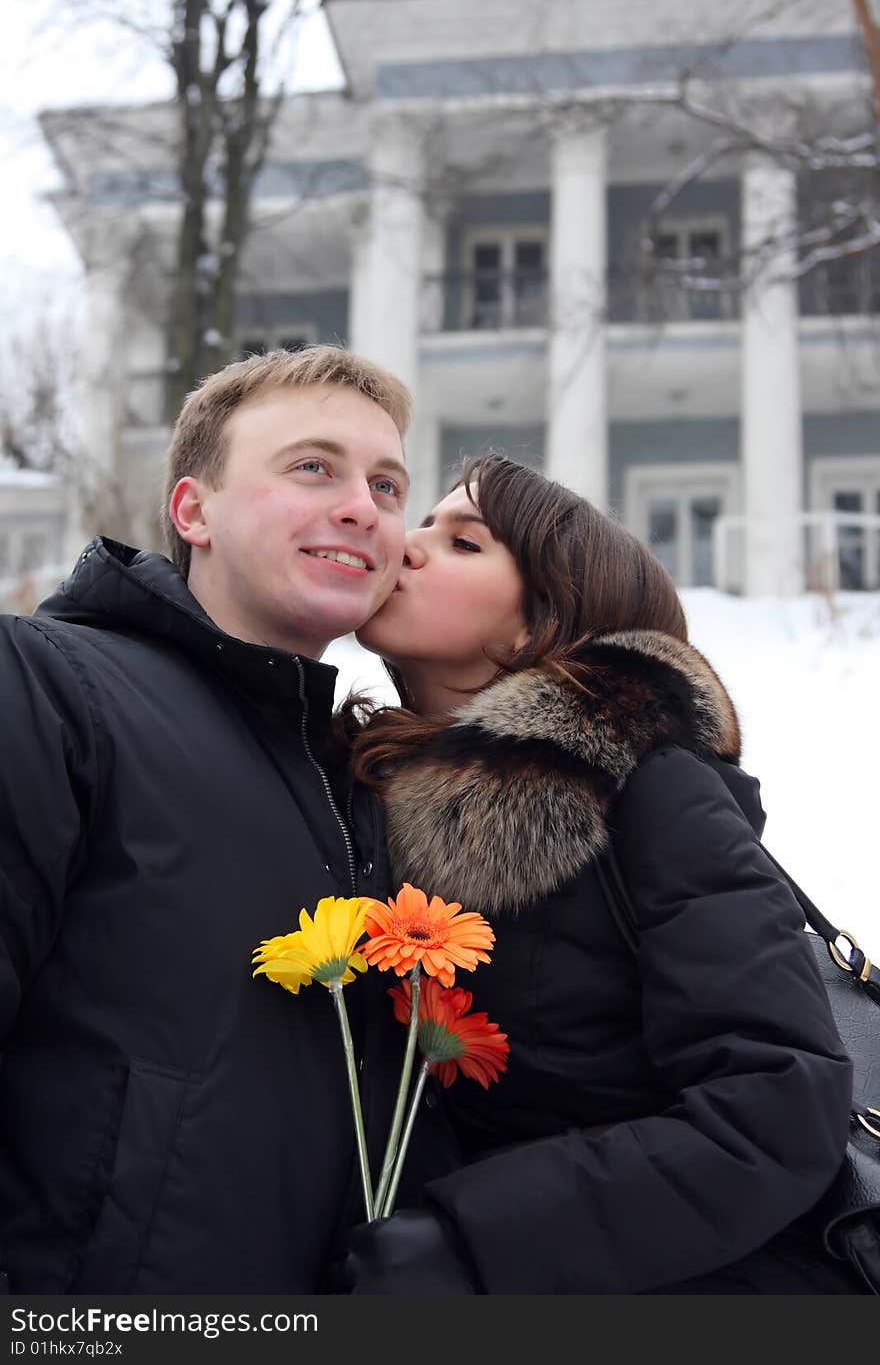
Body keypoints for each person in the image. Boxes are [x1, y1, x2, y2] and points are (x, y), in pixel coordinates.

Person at [337, 452, 862, 1294]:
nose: (408, 544)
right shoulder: (356, 790)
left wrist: (469, 1246)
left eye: (464, 542)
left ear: (533, 625)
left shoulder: (651, 792)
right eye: (423, 521)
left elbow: (778, 1105)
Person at [0, 345, 455, 1294]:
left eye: (386, 483)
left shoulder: (367, 772)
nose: (362, 505)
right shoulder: (47, 688)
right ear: (193, 510)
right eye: (311, 467)